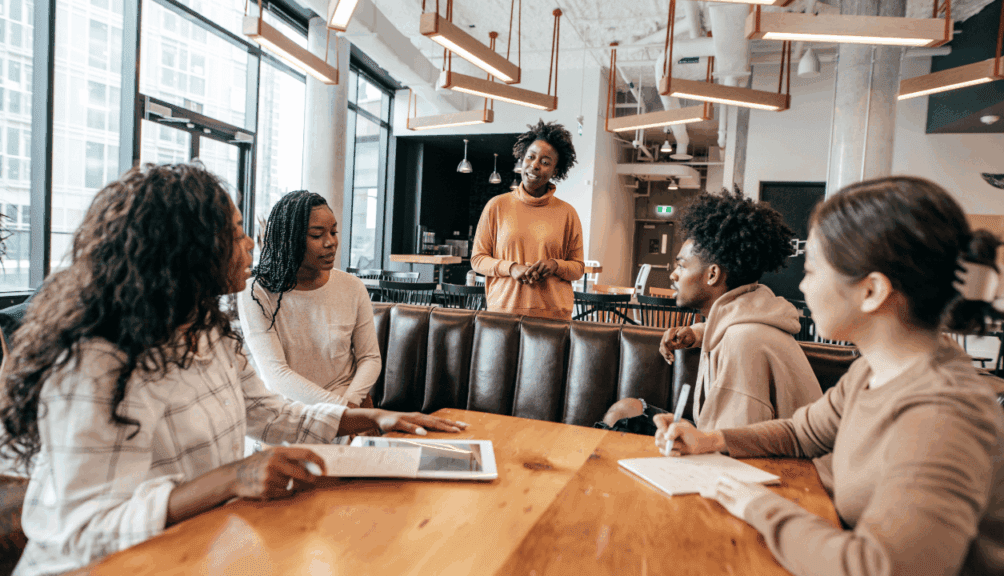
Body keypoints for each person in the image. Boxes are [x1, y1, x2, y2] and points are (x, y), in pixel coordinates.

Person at [0, 164, 466, 576]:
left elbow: (270, 413)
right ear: (187, 249)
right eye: (237, 232)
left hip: (195, 547)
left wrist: (374, 418)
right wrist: (231, 477)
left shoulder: (209, 332)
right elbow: (81, 532)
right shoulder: (97, 364)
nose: (249, 245)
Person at [656, 176, 1004, 576]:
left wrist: (758, 506)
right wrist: (713, 440)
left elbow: (879, 569)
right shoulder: (871, 370)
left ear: (871, 291)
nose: (802, 284)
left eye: (812, 269)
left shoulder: (943, 416)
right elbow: (801, 432)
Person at [601, 191, 821, 434]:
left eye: (682, 266)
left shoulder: (743, 343)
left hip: (762, 464)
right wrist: (695, 333)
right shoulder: (750, 318)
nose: (674, 275)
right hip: (723, 440)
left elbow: (733, 450)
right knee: (626, 409)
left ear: (713, 275)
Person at [239, 190, 379, 409]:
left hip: (352, 405)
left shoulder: (353, 287)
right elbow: (276, 375)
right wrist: (341, 412)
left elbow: (370, 358)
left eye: (334, 232)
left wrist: (350, 405)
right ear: (289, 239)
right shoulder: (257, 293)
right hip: (292, 413)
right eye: (317, 235)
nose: (330, 242)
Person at [471, 120, 585, 321]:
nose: (535, 165)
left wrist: (555, 265)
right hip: (503, 313)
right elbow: (478, 259)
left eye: (545, 162)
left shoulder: (568, 213)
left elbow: (578, 268)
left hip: (553, 316)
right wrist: (512, 268)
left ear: (555, 171)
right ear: (522, 159)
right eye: (530, 157)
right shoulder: (497, 206)